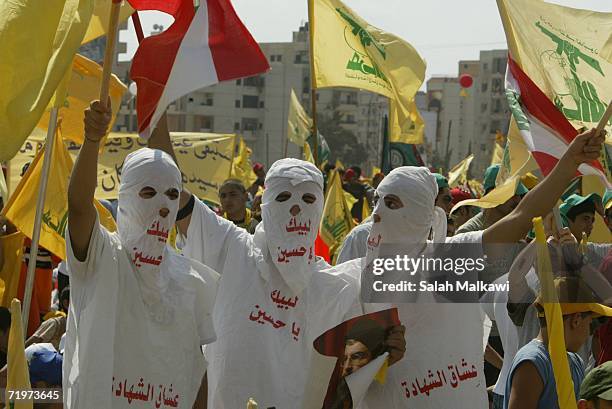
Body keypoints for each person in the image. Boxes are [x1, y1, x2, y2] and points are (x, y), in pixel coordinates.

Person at [332, 128, 606, 408]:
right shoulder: (352, 280)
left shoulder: (449, 262)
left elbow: (522, 217)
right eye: (377, 201)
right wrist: (373, 357)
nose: (377, 213)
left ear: (421, 216)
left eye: (392, 203)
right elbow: (333, 379)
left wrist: (570, 162)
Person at [149, 116, 406, 408]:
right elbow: (168, 187)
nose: (296, 207)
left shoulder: (337, 288)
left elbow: (352, 375)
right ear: (264, 205)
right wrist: (157, 110)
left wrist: (388, 356)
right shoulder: (231, 250)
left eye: (308, 199)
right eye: (284, 197)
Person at [65, 100, 218, 409]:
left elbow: (195, 371)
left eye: (172, 195)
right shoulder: (101, 256)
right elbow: (79, 206)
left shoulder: (190, 279)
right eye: (149, 192)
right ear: (127, 198)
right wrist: (92, 140)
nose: (163, 205)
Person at [504, 277, 612, 409]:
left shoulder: (575, 361)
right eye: (589, 323)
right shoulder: (533, 363)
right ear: (576, 320)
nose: (588, 333)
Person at [456, 164, 528, 234]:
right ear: (492, 193)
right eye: (512, 194)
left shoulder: (515, 232)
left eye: (519, 195)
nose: (518, 200)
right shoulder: (467, 232)